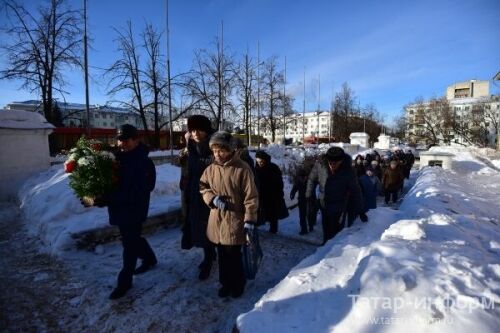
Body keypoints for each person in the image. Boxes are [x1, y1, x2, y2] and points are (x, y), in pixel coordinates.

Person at [84, 124, 157, 300]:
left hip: (135, 209)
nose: (121, 143)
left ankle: (124, 282)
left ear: (136, 140)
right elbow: (110, 184)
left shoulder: (144, 162)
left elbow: (139, 191)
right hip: (119, 207)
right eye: (119, 140)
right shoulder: (116, 158)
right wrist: (96, 195)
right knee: (131, 239)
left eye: (125, 140)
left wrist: (107, 199)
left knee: (129, 245)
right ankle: (149, 258)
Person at [199, 131, 259, 298]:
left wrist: (250, 220)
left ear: (230, 150)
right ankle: (225, 284)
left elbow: (251, 197)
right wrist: (212, 198)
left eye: (221, 151)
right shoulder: (210, 169)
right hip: (216, 221)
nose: (217, 154)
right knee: (222, 257)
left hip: (235, 222)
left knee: (233, 257)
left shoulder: (242, 169)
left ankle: (238, 284)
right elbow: (203, 187)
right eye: (215, 151)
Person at [306, 147, 363, 245]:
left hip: (339, 205)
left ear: (341, 161)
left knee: (336, 231)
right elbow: (311, 179)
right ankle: (325, 248)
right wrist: (309, 195)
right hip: (324, 203)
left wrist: (360, 210)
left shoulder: (348, 170)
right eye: (330, 163)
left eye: (335, 163)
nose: (332, 166)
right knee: (326, 227)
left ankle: (332, 249)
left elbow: (356, 190)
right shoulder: (320, 165)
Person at [184, 115, 217, 280]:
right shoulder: (191, 146)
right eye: (192, 130)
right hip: (195, 193)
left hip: (212, 195)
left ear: (207, 130)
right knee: (200, 229)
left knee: (210, 228)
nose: (195, 133)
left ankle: (209, 260)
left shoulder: (215, 146)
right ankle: (209, 256)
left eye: (199, 129)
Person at [254, 150, 289, 233]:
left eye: (261, 161)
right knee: (261, 211)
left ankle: (273, 229)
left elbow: (279, 182)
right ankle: (260, 224)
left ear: (265, 160)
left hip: (272, 195)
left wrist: (279, 193)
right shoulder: (256, 169)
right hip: (261, 194)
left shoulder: (273, 168)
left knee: (273, 213)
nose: (259, 163)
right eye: (258, 161)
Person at [290, 168, 310, 235]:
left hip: (310, 200)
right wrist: (292, 194)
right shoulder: (298, 182)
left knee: (310, 214)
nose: (302, 178)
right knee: (302, 215)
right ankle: (304, 229)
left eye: (304, 176)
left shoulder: (310, 182)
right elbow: (294, 189)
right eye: (301, 177)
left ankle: (311, 226)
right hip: (301, 200)